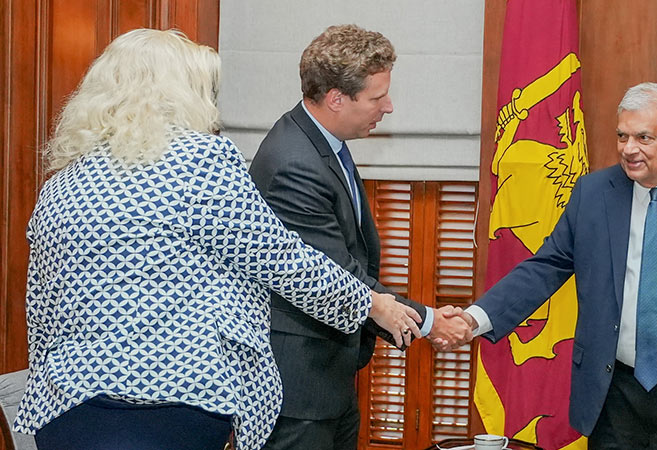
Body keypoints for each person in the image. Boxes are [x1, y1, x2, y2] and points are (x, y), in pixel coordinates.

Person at [12, 28, 422, 450]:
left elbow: (41, 307)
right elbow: (279, 258)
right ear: (179, 92)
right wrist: (370, 303)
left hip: (69, 410)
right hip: (172, 405)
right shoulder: (199, 158)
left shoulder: (63, 184)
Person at [456, 82, 657, 449]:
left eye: (643, 137)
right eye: (622, 136)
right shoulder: (593, 193)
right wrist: (475, 318)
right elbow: (545, 266)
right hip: (615, 388)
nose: (628, 149)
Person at [249, 24, 472, 450]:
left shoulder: (322, 140)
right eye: (376, 97)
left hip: (329, 375)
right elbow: (337, 274)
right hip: (300, 389)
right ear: (336, 98)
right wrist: (427, 321)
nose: (388, 106)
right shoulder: (294, 163)